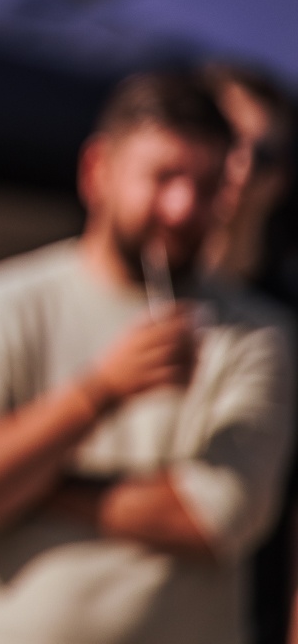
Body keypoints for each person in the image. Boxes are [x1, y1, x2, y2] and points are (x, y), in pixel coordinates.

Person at [0, 70, 296, 644]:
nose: (183, 207)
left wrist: (33, 483)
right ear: (97, 172)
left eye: (208, 185)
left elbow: (217, 518)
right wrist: (101, 392)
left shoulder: (255, 335)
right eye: (164, 177)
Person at [199, 64, 297, 644]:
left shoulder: (287, 319)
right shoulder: (127, 287)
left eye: (261, 154)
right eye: (224, 139)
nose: (238, 166)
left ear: (280, 177)